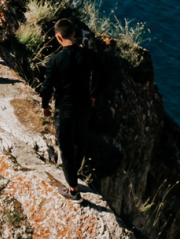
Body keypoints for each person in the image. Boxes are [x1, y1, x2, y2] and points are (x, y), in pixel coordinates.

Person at [39, 19, 123, 202]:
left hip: (65, 109)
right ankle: (73, 177)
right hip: (85, 106)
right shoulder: (89, 55)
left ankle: (73, 191)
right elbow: (105, 78)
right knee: (79, 142)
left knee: (66, 147)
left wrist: (45, 105)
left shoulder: (56, 60)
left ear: (59, 37)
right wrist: (93, 95)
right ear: (74, 34)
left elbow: (47, 87)